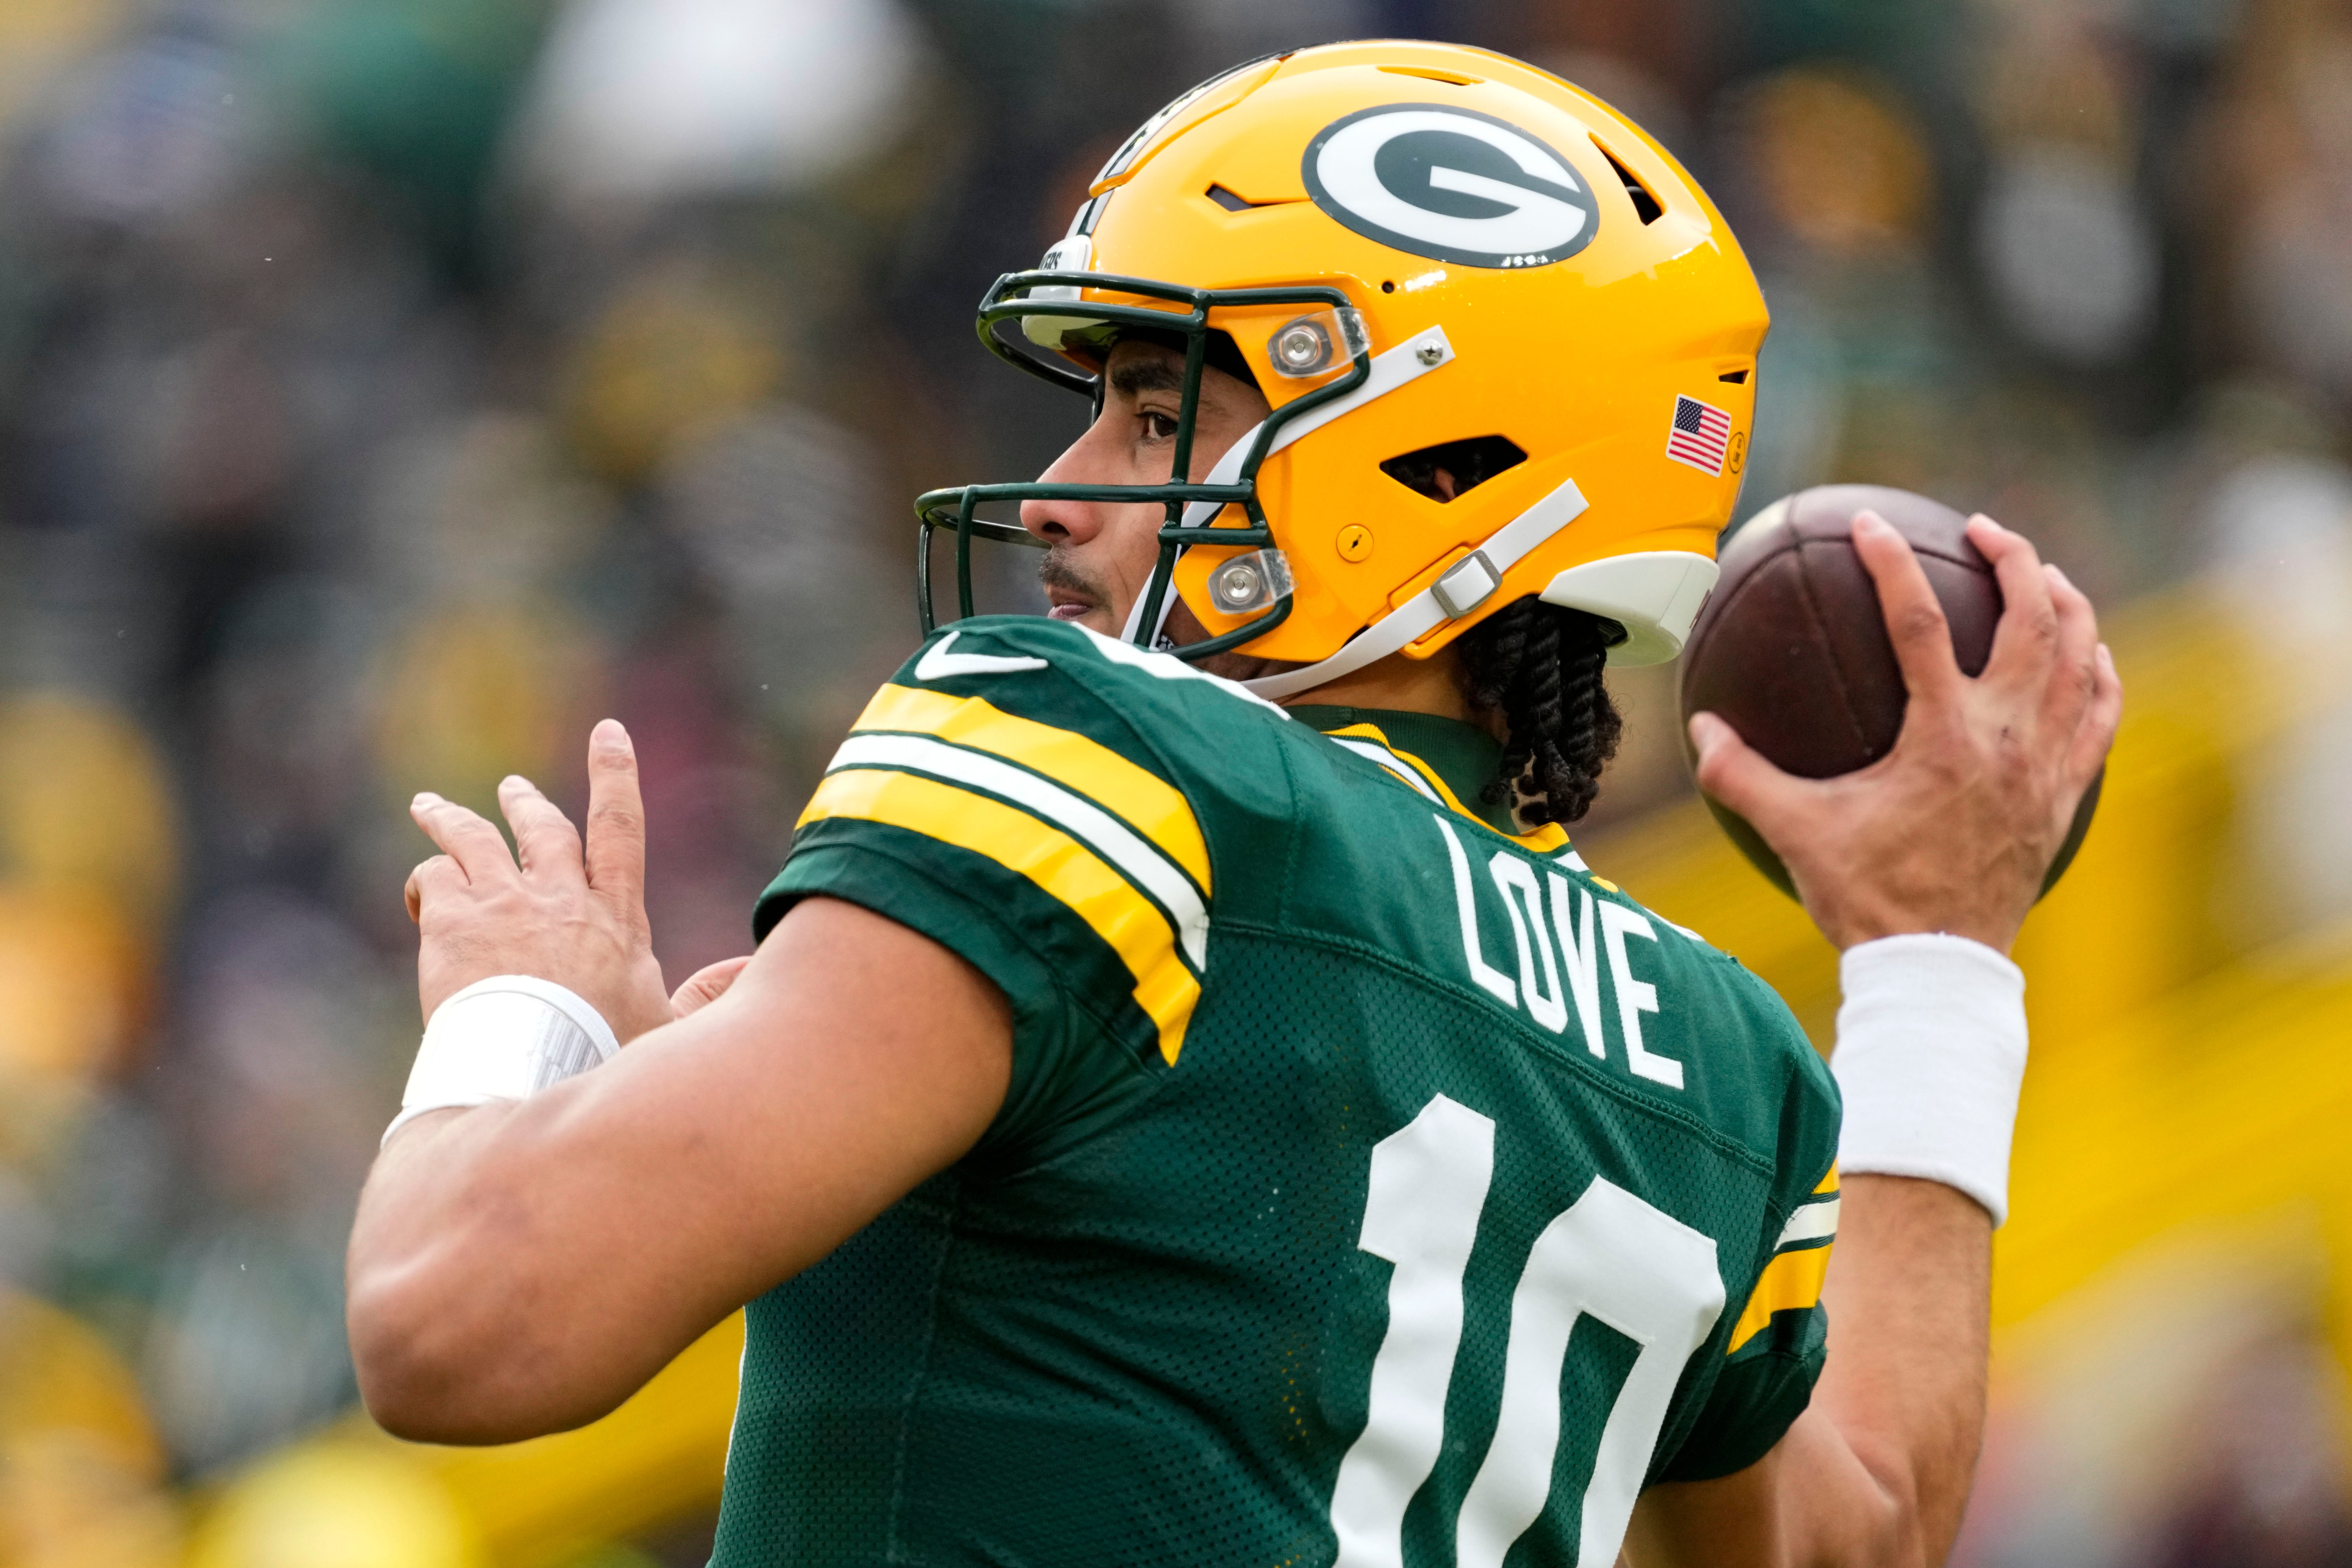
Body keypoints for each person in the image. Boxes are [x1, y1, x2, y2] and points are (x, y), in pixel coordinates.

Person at [346, 41, 2120, 1568]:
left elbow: (454, 1317)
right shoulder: (1723, 1065)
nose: (1057, 490)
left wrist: (529, 1011)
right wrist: (1933, 956)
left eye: (1149, 412)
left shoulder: (1110, 762)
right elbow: (1872, 1512)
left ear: (1429, 454)